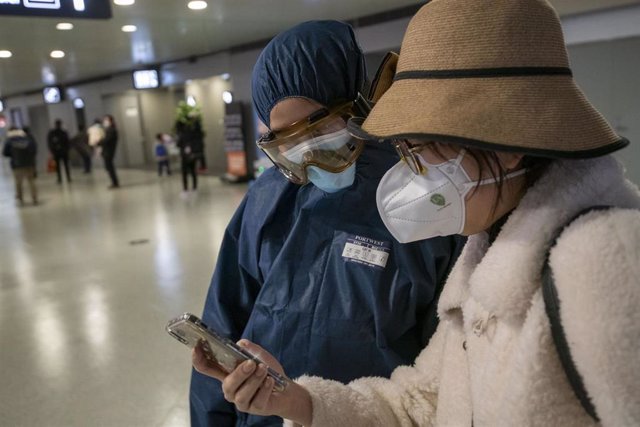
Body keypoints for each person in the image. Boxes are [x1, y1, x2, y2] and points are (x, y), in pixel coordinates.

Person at [192, 2, 640, 426]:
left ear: (506, 146)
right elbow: (423, 400)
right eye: (404, 149)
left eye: (423, 148)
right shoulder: (485, 252)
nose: (411, 173)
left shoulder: (606, 261)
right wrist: (297, 401)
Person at [189, 20, 464, 427]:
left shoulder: (422, 202)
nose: (311, 157)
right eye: (288, 143)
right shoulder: (267, 201)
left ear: (359, 105)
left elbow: (440, 371)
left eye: (321, 130)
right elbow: (224, 324)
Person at [3, 127, 38, 205]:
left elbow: (5, 153)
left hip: (16, 165)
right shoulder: (26, 137)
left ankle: (20, 198)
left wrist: (13, 155)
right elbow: (33, 149)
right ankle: (34, 197)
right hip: (29, 163)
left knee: (18, 182)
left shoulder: (9, 140)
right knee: (31, 181)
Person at [177, 122, 201, 192]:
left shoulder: (181, 135)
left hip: (184, 156)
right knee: (193, 172)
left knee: (184, 173)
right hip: (192, 156)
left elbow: (178, 144)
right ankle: (194, 186)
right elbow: (197, 144)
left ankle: (185, 187)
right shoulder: (194, 135)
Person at [47, 119, 71, 184]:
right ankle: (60, 178)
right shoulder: (52, 133)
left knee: (65, 165)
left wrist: (66, 149)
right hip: (57, 152)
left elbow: (67, 142)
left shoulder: (63, 133)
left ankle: (67, 177)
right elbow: (50, 143)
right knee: (58, 166)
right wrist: (52, 150)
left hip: (63, 152)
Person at [100, 115, 119, 189]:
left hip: (109, 151)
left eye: (106, 120)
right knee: (108, 167)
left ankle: (115, 182)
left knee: (110, 167)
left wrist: (99, 142)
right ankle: (114, 182)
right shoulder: (108, 129)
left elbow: (107, 140)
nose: (105, 121)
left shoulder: (111, 130)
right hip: (107, 151)